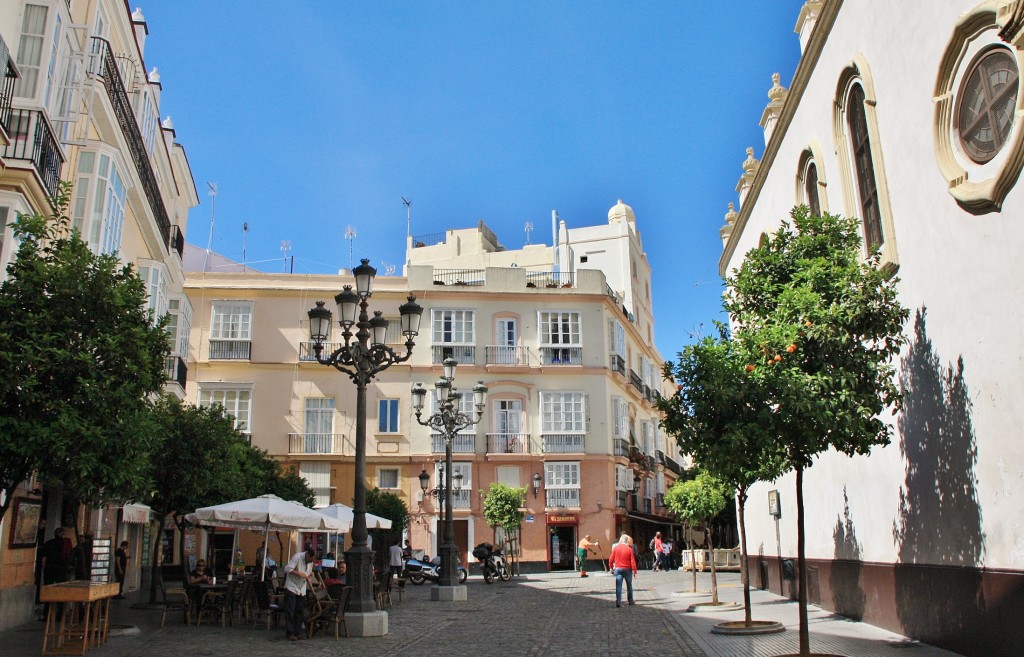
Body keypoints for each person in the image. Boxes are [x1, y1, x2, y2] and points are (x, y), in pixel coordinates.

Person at [282, 546, 315, 641]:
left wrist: (310, 580)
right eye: (310, 559)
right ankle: (290, 633)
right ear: (308, 555)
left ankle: (297, 632)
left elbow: (308, 574)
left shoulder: (310, 562)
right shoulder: (297, 557)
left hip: (302, 589)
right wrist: (299, 573)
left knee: (299, 611)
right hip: (291, 587)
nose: (310, 562)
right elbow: (287, 569)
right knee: (290, 610)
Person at [608, 534, 638, 607]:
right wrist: (635, 571)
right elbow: (632, 561)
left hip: (618, 569)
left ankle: (618, 602)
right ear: (627, 541)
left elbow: (611, 559)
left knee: (618, 586)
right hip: (627, 569)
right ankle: (630, 601)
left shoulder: (616, 548)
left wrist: (611, 567)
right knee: (629, 585)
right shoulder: (629, 549)